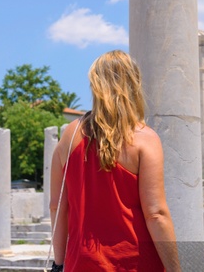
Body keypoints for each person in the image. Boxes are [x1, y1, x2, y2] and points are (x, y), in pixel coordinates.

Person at [49, 50, 180, 271]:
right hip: (136, 263)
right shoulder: (144, 139)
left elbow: (57, 206)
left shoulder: (70, 136)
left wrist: (60, 263)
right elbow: (156, 214)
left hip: (81, 263)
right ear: (134, 85)